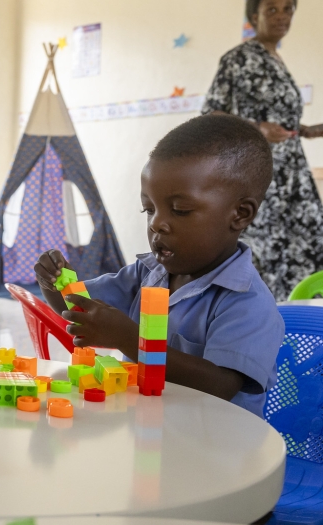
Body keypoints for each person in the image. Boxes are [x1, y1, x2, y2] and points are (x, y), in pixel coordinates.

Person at [35, 115, 284, 416]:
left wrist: (128, 338)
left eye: (180, 210)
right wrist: (53, 281)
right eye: (149, 209)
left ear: (240, 215)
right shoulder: (149, 272)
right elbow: (76, 307)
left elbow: (219, 385)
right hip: (147, 433)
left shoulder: (247, 303)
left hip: (218, 451)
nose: (157, 224)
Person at [202, 0, 323, 301]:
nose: (282, 16)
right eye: (272, 9)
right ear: (253, 17)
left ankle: (298, 328)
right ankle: (265, 336)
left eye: (288, 10)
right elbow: (210, 115)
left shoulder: (278, 62)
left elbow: (278, 118)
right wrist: (257, 128)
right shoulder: (238, 59)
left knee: (308, 249)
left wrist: (306, 130)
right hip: (260, 176)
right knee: (267, 259)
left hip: (294, 178)